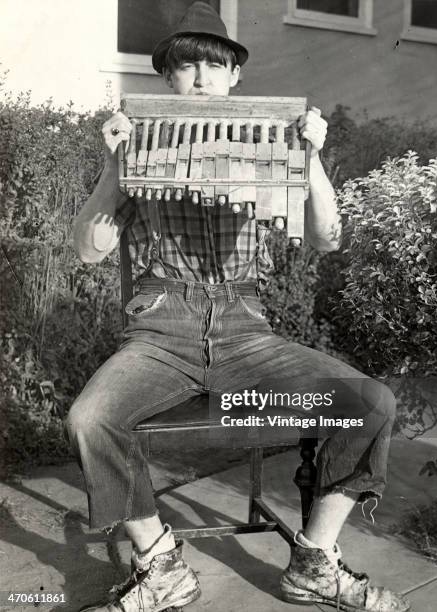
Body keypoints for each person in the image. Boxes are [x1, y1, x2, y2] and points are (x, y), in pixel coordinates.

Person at [67, 3, 410, 611]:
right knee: (91, 419)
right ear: (166, 80)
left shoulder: (267, 142)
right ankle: (160, 564)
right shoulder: (141, 143)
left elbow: (328, 237)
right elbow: (90, 252)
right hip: (160, 335)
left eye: (213, 66)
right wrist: (113, 167)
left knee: (369, 404)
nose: (200, 79)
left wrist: (312, 159)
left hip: (248, 339)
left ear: (235, 78)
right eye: (186, 66)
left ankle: (315, 562)